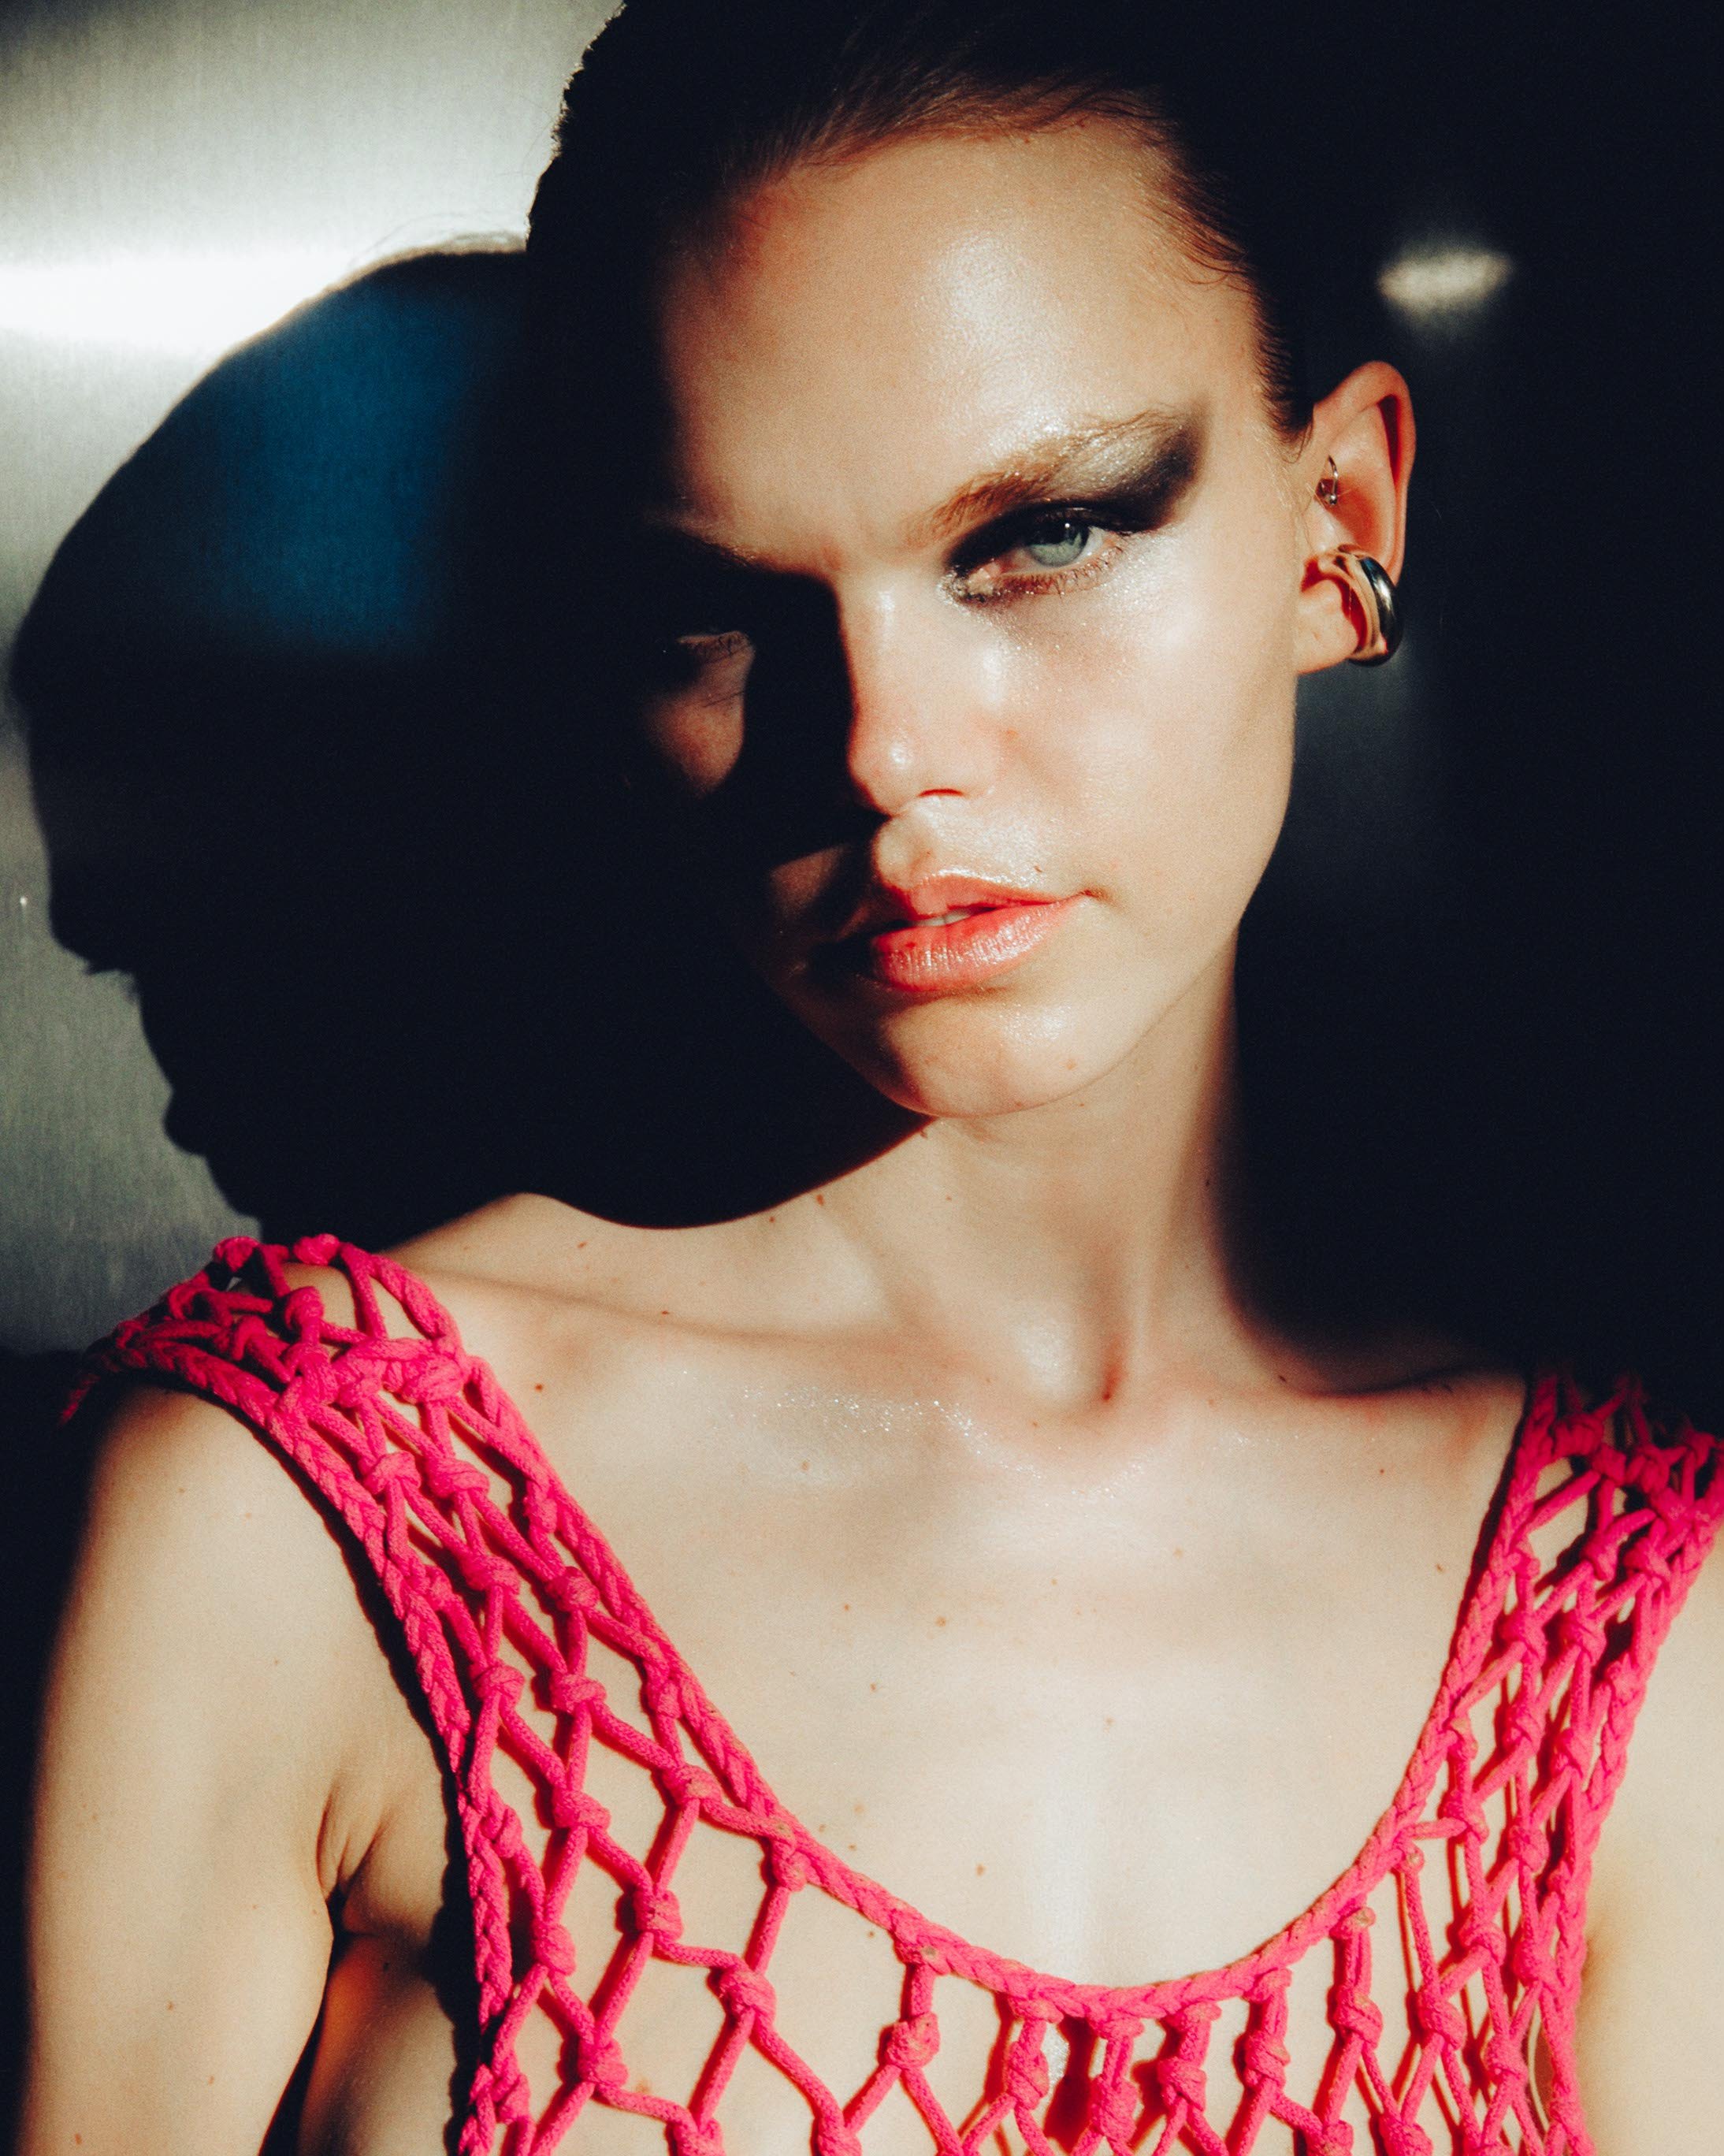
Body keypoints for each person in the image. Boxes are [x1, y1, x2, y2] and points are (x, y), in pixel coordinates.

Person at [17, 5, 1722, 2152]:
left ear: (1333, 520)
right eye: (710, 613)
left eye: (1039, 538)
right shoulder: (301, 1527)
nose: (882, 751)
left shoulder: (1614, 1609)